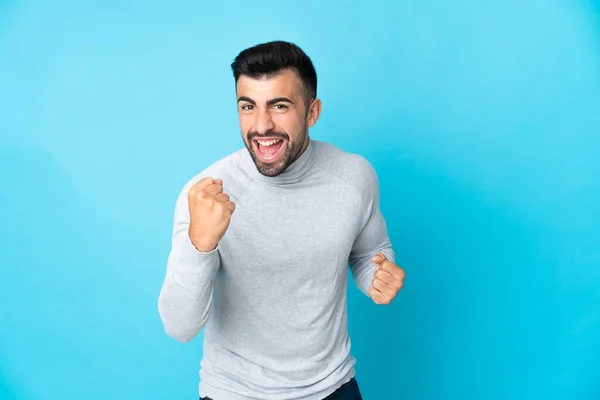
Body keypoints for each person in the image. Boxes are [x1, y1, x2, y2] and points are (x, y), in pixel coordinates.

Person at [158, 40, 405, 400]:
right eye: (248, 106)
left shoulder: (354, 177)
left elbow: (371, 251)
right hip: (234, 392)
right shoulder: (204, 195)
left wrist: (378, 275)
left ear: (312, 112)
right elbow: (179, 327)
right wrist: (201, 244)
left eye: (279, 105)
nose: (261, 126)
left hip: (332, 387)